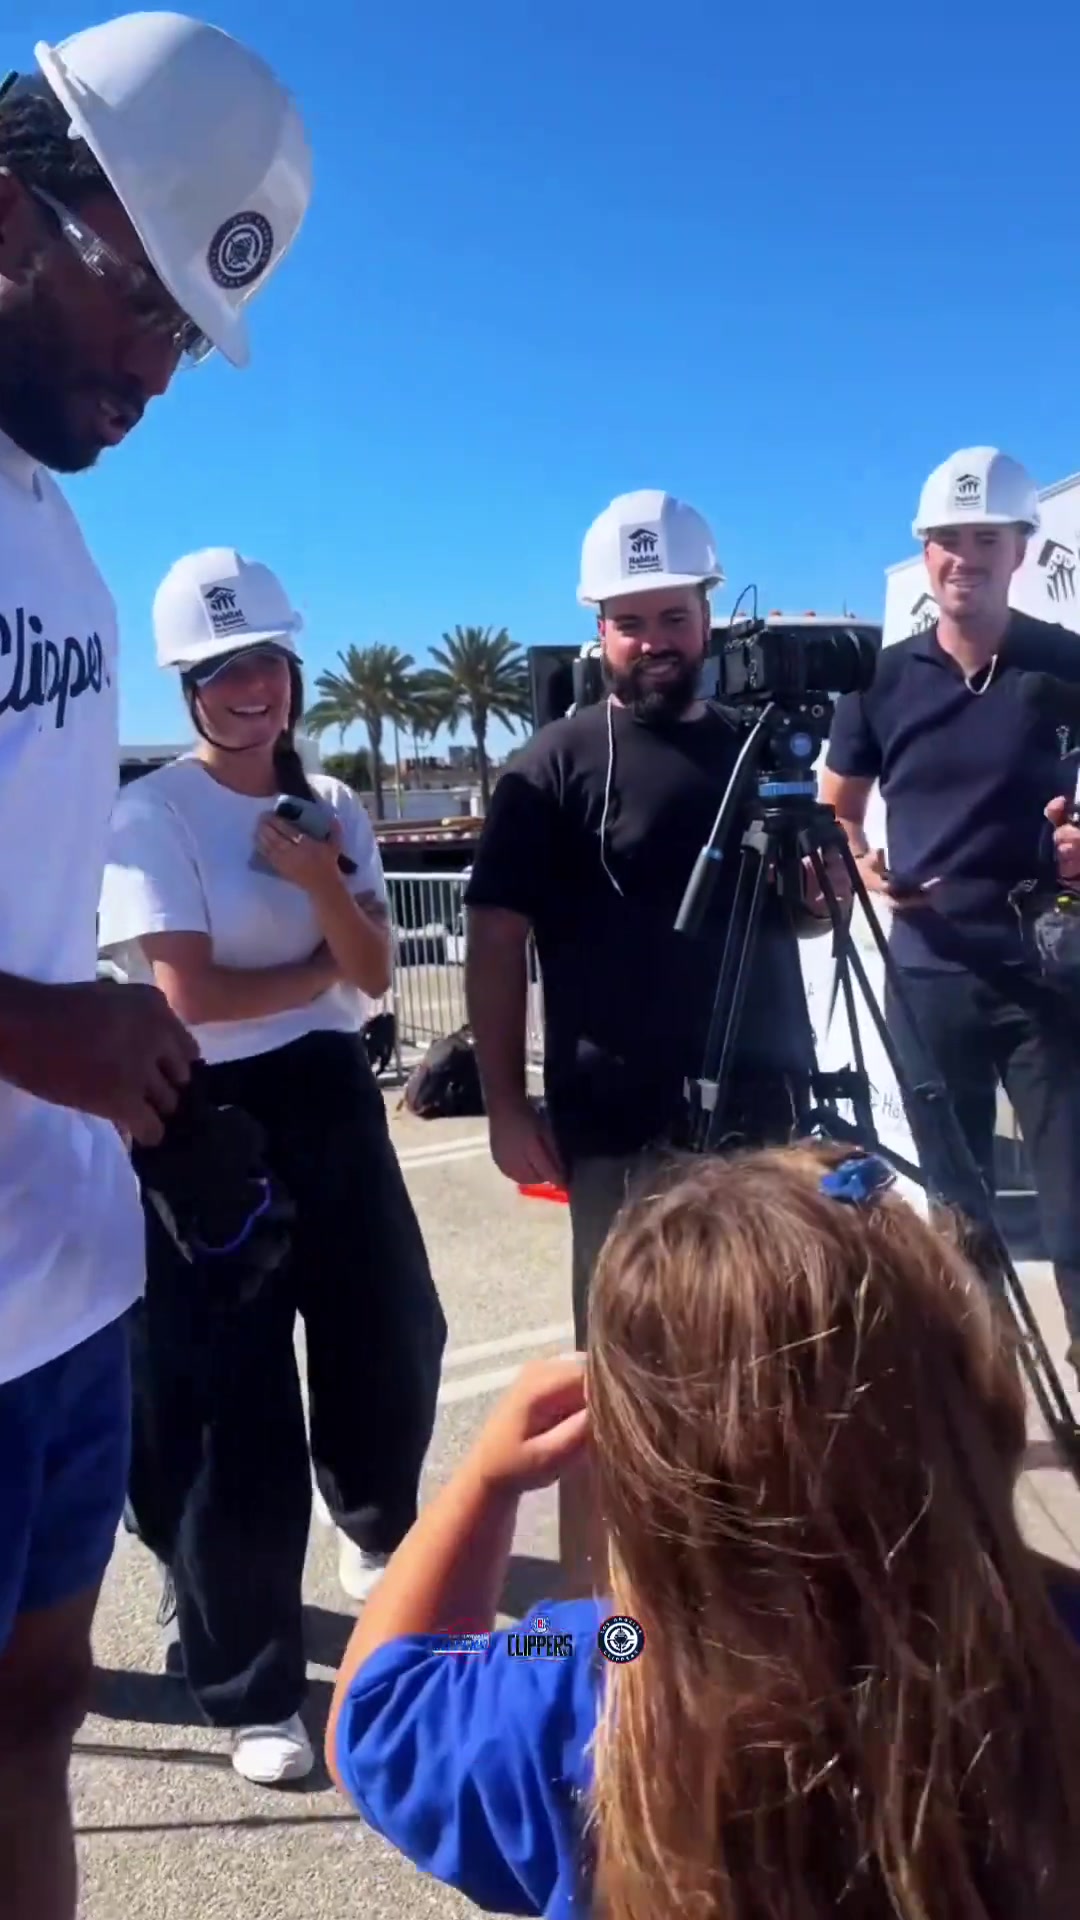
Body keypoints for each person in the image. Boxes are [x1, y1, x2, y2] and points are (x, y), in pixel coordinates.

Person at [0, 16, 310, 1915]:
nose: (152, 374)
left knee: (35, 1721)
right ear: (7, 217)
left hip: (55, 1283)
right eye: (140, 304)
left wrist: (141, 1107)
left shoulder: (57, 539)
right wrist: (49, 1032)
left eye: (186, 338)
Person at [326, 1144, 1080, 1920]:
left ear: (640, 1461)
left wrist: (486, 1484)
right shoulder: (1053, 1636)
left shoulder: (595, 1667)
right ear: (972, 1393)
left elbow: (378, 1704)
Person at [97, 548, 447, 1785]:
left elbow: (378, 969)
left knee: (391, 1328)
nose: (252, 690)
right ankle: (250, 1682)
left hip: (332, 1094)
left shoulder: (332, 803)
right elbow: (190, 994)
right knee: (227, 1402)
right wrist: (322, 962)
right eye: (222, 671)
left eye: (267, 664)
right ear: (187, 686)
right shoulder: (150, 814)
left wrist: (314, 883)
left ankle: (375, 1523)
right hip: (205, 1109)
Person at [464, 489, 845, 1590]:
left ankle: (757, 1598)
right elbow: (494, 941)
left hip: (767, 1117)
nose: (655, 641)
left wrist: (821, 893)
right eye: (631, 622)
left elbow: (801, 918)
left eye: (673, 616)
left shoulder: (758, 752)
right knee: (616, 1382)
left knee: (771, 1364)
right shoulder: (549, 766)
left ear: (707, 614)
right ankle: (605, 1617)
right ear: (599, 630)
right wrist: (504, 1103)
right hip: (619, 1130)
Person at [821, 447, 1080, 1380]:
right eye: (947, 540)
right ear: (925, 552)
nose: (963, 557)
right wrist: (866, 866)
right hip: (927, 976)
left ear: (1020, 551)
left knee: (1075, 1207)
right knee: (959, 1213)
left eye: (985, 538)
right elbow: (839, 804)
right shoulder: (880, 680)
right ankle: (982, 1390)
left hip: (1049, 979)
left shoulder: (1067, 662)